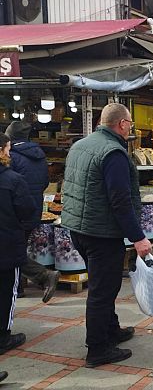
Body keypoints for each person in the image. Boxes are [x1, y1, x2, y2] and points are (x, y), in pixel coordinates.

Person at [61, 103, 152, 368]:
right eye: (131, 124)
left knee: (105, 285)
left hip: (79, 227)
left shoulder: (80, 145)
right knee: (102, 291)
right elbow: (120, 200)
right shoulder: (113, 152)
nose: (131, 128)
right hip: (101, 233)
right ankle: (98, 349)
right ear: (122, 124)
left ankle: (112, 329)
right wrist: (138, 237)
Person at [5, 121, 60, 303]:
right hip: (33, 207)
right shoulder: (39, 155)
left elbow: (6, 184)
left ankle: (43, 276)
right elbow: (45, 182)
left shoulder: (11, 157)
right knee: (18, 248)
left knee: (12, 250)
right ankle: (18, 288)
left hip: (13, 211)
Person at [0, 133, 36, 358]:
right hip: (7, 244)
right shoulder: (13, 180)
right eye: (7, 149)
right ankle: (4, 336)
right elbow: (27, 210)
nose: (9, 152)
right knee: (6, 292)